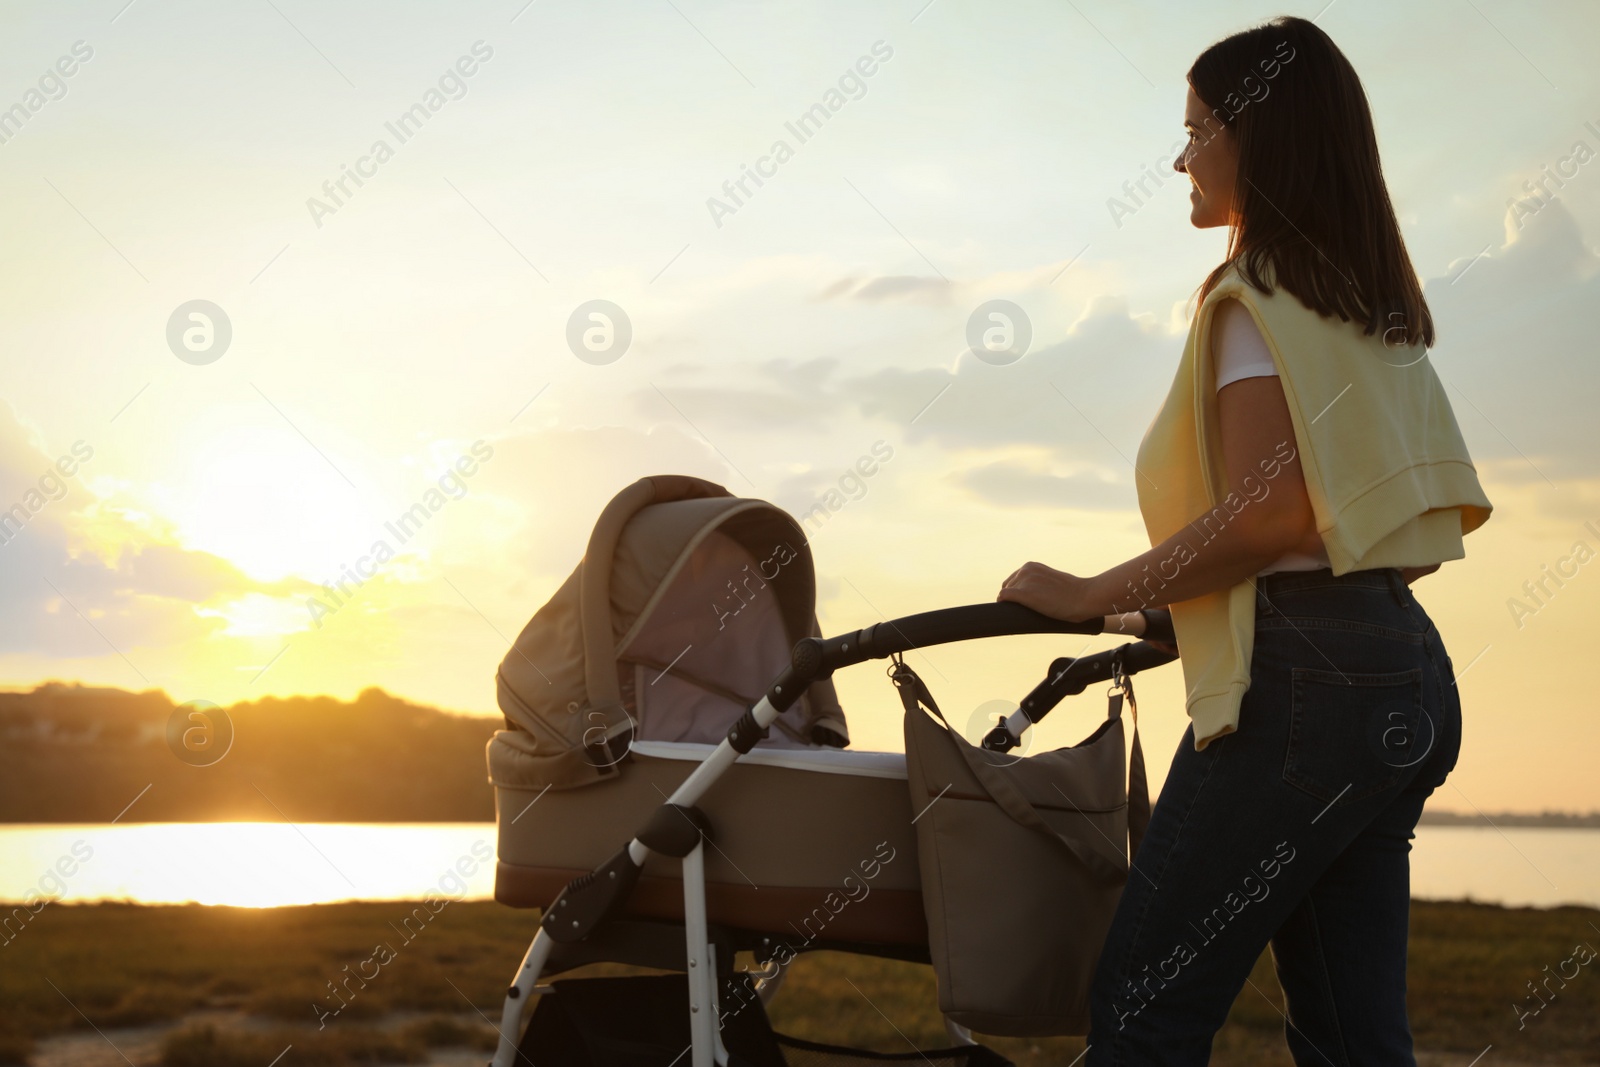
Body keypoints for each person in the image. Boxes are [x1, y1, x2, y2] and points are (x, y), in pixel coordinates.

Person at [996, 15, 1493, 1065]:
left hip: (1304, 693)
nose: (1180, 158)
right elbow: (1377, 540)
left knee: (1146, 1009)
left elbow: (1270, 517)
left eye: (1195, 131)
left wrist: (1091, 591)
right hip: (1400, 665)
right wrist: (1166, 606)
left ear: (1252, 140)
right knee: (1356, 1036)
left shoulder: (1251, 295)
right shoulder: (1369, 306)